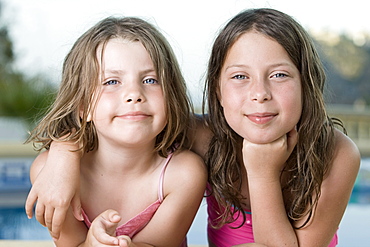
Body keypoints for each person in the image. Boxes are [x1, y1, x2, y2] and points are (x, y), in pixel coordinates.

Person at [26, 8, 360, 247]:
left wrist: (260, 171)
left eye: (280, 75)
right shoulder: (205, 137)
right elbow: (117, 126)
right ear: (217, 89)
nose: (260, 94)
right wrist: (63, 152)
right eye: (240, 77)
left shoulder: (337, 154)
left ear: (308, 83)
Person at [26, 16, 207, 247]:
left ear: (170, 97)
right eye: (111, 82)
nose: (134, 93)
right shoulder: (50, 173)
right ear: (83, 107)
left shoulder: (183, 175)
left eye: (150, 80)